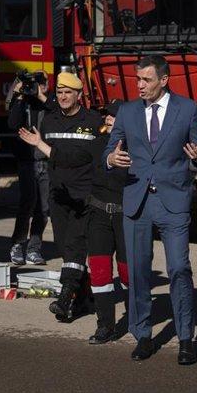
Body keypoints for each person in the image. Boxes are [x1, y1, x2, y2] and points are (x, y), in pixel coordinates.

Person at [104, 55, 197, 364]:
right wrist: (111, 159)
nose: (139, 85)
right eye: (137, 79)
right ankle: (143, 335)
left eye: (146, 80)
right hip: (137, 200)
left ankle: (186, 337)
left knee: (178, 268)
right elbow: (110, 149)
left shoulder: (187, 109)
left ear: (163, 80)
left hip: (172, 201)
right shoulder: (127, 111)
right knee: (137, 272)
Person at [18, 72, 102, 321]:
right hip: (59, 196)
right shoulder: (50, 121)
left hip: (84, 197)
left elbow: (81, 158)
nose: (64, 97)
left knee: (75, 246)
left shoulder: (93, 120)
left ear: (79, 95)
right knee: (66, 248)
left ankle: (65, 299)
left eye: (69, 93)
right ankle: (85, 296)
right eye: (60, 93)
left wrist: (41, 145)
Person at [86, 101, 129, 344]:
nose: (108, 119)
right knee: (100, 272)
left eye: (113, 116)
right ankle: (105, 326)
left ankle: (135, 319)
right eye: (107, 116)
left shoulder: (135, 145)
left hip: (125, 217)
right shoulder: (97, 142)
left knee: (127, 273)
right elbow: (91, 171)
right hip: (99, 214)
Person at [6, 73, 51, 267]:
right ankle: (17, 244)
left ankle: (34, 249)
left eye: (40, 85)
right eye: (33, 85)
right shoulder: (23, 102)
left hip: (46, 161)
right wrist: (19, 96)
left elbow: (57, 112)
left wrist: (41, 96)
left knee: (44, 209)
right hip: (27, 162)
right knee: (27, 204)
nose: (35, 88)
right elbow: (13, 123)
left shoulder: (50, 103)